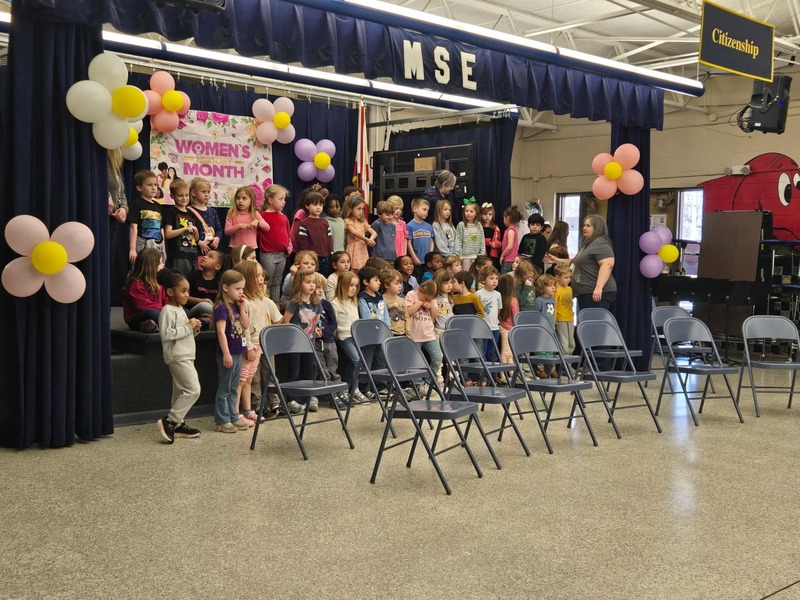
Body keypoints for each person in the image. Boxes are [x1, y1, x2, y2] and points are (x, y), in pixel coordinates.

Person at [155, 269, 202, 444]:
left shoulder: (180, 310)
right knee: (193, 390)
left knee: (180, 391)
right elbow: (166, 334)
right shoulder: (167, 310)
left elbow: (183, 334)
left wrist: (193, 329)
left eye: (188, 291)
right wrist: (188, 327)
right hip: (178, 356)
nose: (186, 295)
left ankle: (178, 425)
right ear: (169, 292)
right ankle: (170, 420)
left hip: (186, 354)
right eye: (183, 291)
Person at [545, 214, 616, 311]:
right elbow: (574, 262)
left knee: (592, 324)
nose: (584, 228)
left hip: (595, 293)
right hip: (585, 293)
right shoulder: (588, 244)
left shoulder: (600, 243)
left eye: (588, 226)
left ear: (597, 228)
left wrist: (599, 287)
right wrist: (557, 260)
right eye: (584, 225)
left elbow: (607, 264)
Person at [212, 269, 252, 433]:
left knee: (234, 387)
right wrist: (226, 353)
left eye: (242, 288)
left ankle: (233, 415)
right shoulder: (221, 307)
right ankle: (222, 420)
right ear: (226, 288)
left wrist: (242, 307)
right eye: (237, 288)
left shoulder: (236, 305)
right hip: (227, 354)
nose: (241, 292)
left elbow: (246, 325)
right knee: (225, 388)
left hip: (238, 352)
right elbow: (221, 332)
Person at [281, 268, 323, 414]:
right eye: (308, 282)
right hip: (294, 345)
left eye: (313, 283)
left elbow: (315, 322)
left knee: (308, 371)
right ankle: (290, 399)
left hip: (309, 344)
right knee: (294, 371)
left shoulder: (317, 303)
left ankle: (309, 397)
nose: (312, 286)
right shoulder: (294, 303)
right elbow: (285, 322)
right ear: (300, 284)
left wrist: (315, 331)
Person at [332, 271, 370, 405]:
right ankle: (354, 390)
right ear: (342, 286)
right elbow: (334, 324)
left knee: (354, 364)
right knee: (356, 360)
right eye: (351, 285)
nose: (354, 288)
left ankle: (351, 389)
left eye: (356, 286)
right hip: (344, 337)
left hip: (356, 337)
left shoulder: (354, 302)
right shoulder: (335, 303)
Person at [312, 272, 347, 410]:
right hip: (316, 343)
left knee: (333, 368)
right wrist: (314, 332)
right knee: (323, 370)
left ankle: (340, 392)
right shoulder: (309, 306)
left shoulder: (326, 304)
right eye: (317, 288)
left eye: (322, 288)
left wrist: (325, 333)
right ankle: (332, 396)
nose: (321, 291)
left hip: (329, 341)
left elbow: (333, 323)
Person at [406, 280, 443, 388]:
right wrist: (420, 303)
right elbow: (408, 312)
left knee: (437, 358)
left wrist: (430, 306)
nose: (427, 300)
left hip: (429, 334)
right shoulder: (411, 295)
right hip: (414, 335)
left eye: (429, 299)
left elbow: (435, 315)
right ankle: (418, 384)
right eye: (426, 298)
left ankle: (430, 380)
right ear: (420, 289)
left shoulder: (432, 299)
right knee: (415, 362)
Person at [258, 184, 292, 303]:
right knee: (267, 281)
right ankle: (265, 305)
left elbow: (288, 234)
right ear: (270, 200)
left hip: (281, 255)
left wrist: (288, 247)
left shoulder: (283, 217)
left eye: (284, 199)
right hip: (268, 254)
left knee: (277, 282)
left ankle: (275, 305)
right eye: (281, 199)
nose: (284, 202)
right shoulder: (262, 216)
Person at [163, 179, 202, 277]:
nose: (184, 198)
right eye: (180, 195)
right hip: (179, 255)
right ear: (172, 196)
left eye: (186, 195)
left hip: (193, 254)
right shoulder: (171, 212)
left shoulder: (192, 214)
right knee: (180, 281)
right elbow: (168, 234)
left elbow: (197, 239)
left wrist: (196, 230)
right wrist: (184, 229)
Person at [123, 248, 166, 333]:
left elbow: (166, 300)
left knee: (183, 311)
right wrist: (166, 311)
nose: (163, 265)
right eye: (160, 263)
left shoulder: (160, 283)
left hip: (160, 312)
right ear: (151, 266)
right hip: (138, 318)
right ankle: (149, 325)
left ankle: (153, 325)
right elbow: (144, 306)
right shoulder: (135, 285)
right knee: (152, 313)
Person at [128, 170, 165, 265]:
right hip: (143, 244)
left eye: (155, 185)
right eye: (149, 185)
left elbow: (161, 230)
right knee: (142, 269)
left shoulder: (158, 206)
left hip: (157, 245)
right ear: (140, 187)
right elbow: (133, 227)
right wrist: (132, 249)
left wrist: (164, 250)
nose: (153, 188)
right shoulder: (137, 203)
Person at [297, 191, 333, 275]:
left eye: (320, 205)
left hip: (324, 257)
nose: (318, 207)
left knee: (322, 279)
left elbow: (329, 238)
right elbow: (303, 242)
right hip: (310, 259)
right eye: (315, 205)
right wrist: (306, 256)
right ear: (307, 206)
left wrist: (331, 252)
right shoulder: (304, 223)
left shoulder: (325, 222)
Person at [189, 177, 222, 260]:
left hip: (211, 250)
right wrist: (199, 242)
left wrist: (217, 238)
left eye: (208, 192)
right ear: (193, 192)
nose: (207, 194)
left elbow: (219, 229)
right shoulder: (189, 211)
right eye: (203, 192)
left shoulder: (212, 211)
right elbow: (188, 231)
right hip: (195, 251)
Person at [107, 148, 128, 275]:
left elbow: (121, 192)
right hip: (102, 221)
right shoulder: (101, 162)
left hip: (113, 222)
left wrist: (124, 209)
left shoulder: (116, 169)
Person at [475, 265, 502, 363]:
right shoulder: (479, 294)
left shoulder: (498, 294)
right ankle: (484, 375)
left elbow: (498, 309)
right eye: (491, 278)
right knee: (483, 351)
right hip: (482, 328)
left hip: (494, 328)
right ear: (483, 280)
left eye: (496, 278)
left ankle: (493, 374)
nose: (494, 281)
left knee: (492, 351)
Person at [343, 194, 377, 272]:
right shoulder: (348, 220)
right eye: (358, 209)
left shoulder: (363, 222)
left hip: (362, 248)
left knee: (363, 269)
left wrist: (370, 240)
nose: (361, 212)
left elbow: (374, 233)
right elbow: (354, 232)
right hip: (353, 248)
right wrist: (366, 240)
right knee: (353, 269)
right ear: (350, 209)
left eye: (362, 209)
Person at [535, 274, 558, 378]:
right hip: (541, 330)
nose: (553, 287)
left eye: (554, 285)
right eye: (550, 285)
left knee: (551, 349)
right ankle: (540, 370)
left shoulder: (552, 299)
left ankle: (551, 369)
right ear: (542, 287)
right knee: (541, 349)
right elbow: (537, 315)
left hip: (551, 329)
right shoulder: (539, 300)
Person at [454, 198, 485, 271]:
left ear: (476, 213)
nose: (468, 213)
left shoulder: (479, 225)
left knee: (476, 276)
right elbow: (458, 241)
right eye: (466, 211)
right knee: (467, 276)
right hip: (465, 257)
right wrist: (460, 255)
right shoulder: (461, 225)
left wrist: (481, 254)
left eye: (471, 211)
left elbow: (482, 240)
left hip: (476, 257)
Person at [406, 198, 434, 278]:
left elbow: (431, 240)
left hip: (427, 261)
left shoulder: (428, 226)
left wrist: (430, 254)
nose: (426, 212)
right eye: (424, 209)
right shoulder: (409, 226)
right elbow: (409, 243)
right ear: (415, 209)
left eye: (427, 211)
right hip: (417, 260)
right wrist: (414, 257)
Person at [553, 263, 576, 358]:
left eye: (569, 277)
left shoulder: (569, 289)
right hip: (560, 319)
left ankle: (569, 361)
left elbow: (570, 303)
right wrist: (553, 321)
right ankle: (564, 365)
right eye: (566, 277)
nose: (568, 280)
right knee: (564, 342)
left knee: (571, 342)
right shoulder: (556, 290)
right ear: (557, 277)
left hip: (570, 318)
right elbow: (554, 306)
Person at [497, 273, 519, 367]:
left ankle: (509, 372)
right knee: (507, 353)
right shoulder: (513, 300)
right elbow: (516, 317)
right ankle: (504, 374)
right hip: (510, 329)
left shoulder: (499, 298)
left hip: (502, 327)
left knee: (507, 352)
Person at [382, 268, 409, 337]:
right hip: (389, 334)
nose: (400, 286)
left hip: (402, 334)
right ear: (387, 285)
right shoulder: (382, 300)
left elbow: (407, 318)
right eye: (396, 283)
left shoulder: (402, 300)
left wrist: (408, 335)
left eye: (400, 283)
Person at [500, 205, 523, 274]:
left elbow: (509, 246)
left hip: (509, 260)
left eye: (503, 218)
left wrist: (502, 255)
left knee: (506, 280)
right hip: (510, 260)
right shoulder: (513, 229)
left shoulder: (511, 230)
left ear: (507, 218)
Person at [433, 269, 454, 339]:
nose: (449, 285)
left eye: (451, 282)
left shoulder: (450, 297)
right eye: (446, 283)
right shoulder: (434, 298)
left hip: (450, 329)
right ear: (438, 283)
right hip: (438, 330)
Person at [480, 203, 502, 269]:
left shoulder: (495, 228)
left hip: (493, 255)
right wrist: (488, 242)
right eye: (485, 214)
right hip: (482, 255)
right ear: (480, 215)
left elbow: (499, 241)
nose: (487, 216)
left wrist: (496, 244)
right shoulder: (479, 227)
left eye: (490, 214)